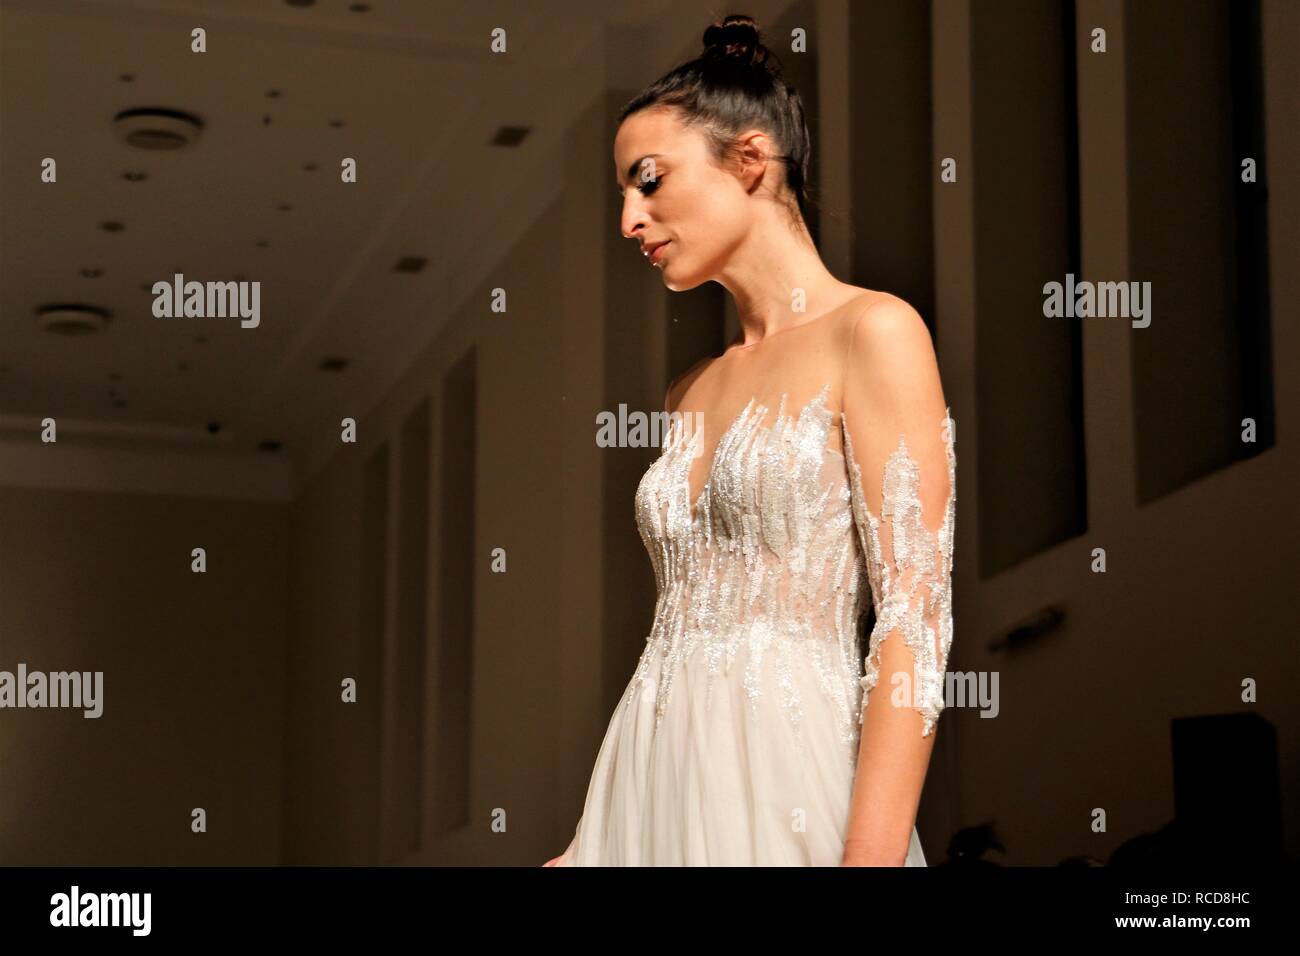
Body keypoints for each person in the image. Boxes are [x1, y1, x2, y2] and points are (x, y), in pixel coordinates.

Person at [545, 14, 955, 866]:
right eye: (624, 193)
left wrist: (868, 862)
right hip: (645, 789)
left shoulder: (875, 331)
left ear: (750, 160)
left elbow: (914, 622)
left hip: (790, 785)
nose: (629, 219)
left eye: (648, 182)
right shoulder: (689, 389)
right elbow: (677, 630)